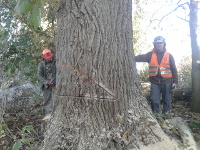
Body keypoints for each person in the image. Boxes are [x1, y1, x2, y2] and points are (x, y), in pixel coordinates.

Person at [135, 36, 178, 120]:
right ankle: (156, 117)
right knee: (154, 100)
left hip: (167, 82)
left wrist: (175, 82)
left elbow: (174, 69)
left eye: (161, 43)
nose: (159, 45)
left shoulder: (169, 56)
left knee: (167, 100)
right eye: (157, 43)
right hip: (155, 82)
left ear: (164, 44)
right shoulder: (150, 55)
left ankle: (166, 118)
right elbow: (140, 57)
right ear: (155, 44)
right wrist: (130, 57)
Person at [37, 49, 56, 119]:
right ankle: (48, 115)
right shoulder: (41, 64)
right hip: (47, 85)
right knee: (48, 101)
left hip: (56, 83)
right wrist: (47, 82)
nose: (49, 59)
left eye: (50, 57)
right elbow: (39, 75)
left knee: (57, 98)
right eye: (48, 58)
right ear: (44, 58)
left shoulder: (56, 62)